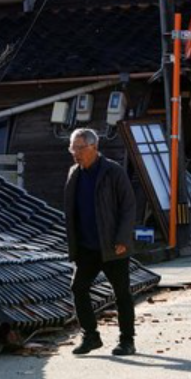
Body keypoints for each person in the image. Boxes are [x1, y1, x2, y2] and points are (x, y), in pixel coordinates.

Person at [64, 128, 137, 356]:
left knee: (122, 293)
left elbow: (128, 206)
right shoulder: (74, 173)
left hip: (113, 245)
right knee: (78, 288)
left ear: (94, 148)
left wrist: (123, 238)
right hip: (86, 246)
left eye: (79, 148)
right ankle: (91, 336)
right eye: (72, 148)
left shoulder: (112, 171)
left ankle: (127, 340)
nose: (75, 153)